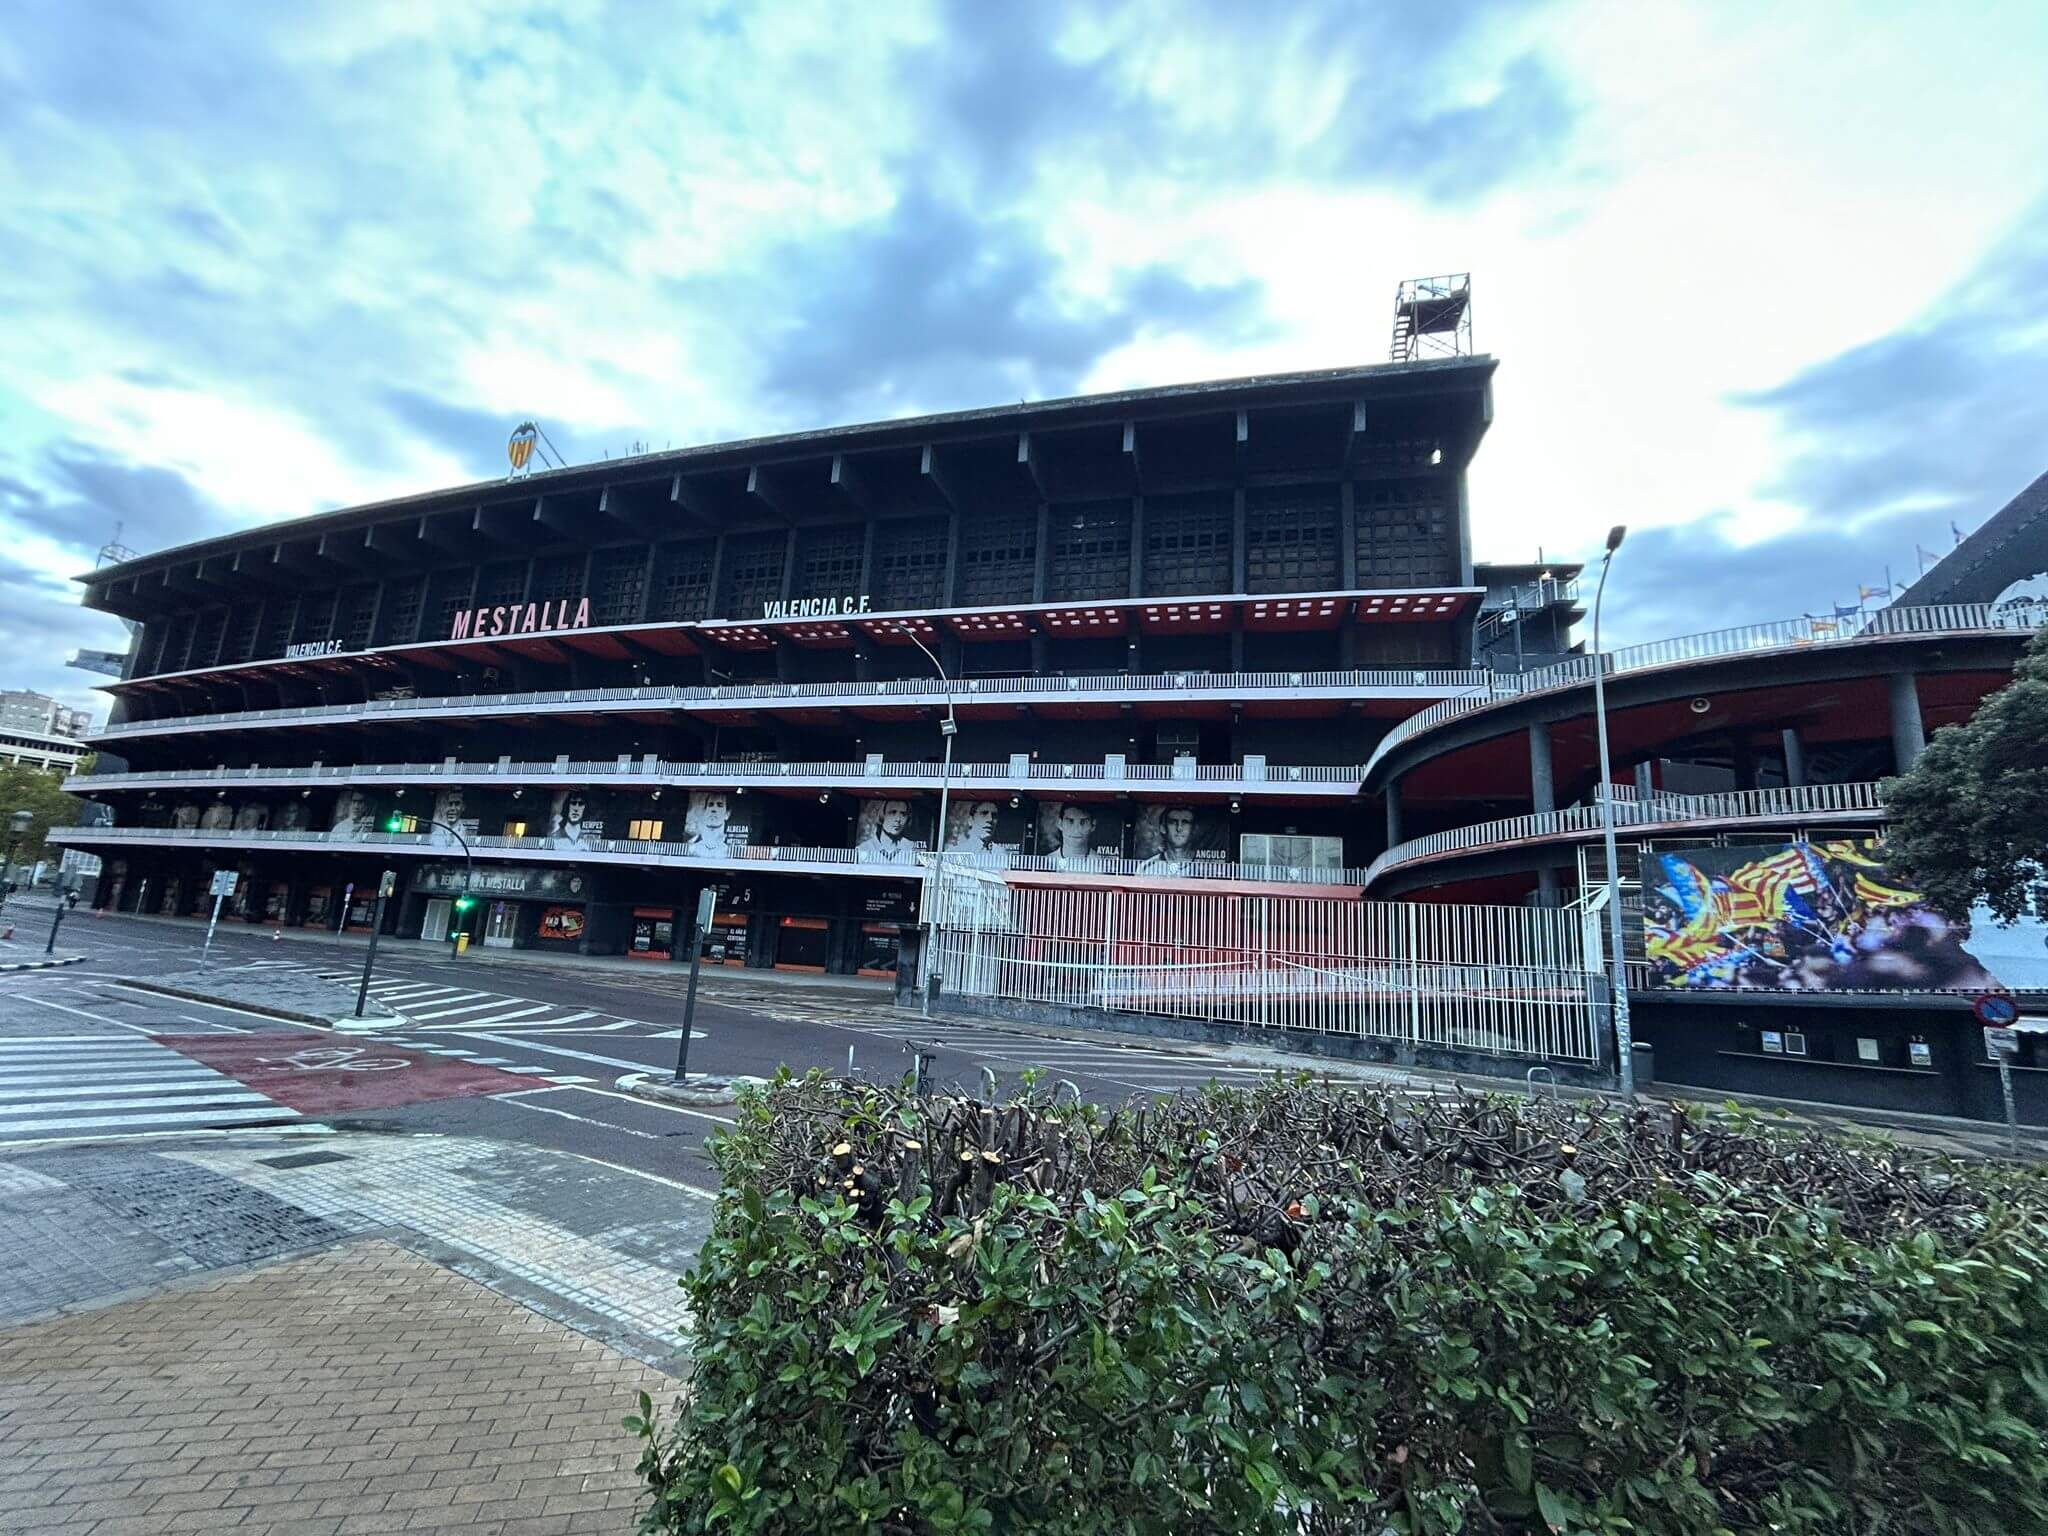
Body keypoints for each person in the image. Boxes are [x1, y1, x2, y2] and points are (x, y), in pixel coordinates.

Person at [1137, 806, 1199, 875]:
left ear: (1194, 830)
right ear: (1163, 828)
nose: (1179, 828)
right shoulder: (1146, 868)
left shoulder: (1203, 866)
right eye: (1173, 822)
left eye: (1185, 822)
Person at [857, 799, 919, 865]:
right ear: (882, 815)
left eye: (903, 814)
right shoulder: (864, 848)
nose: (898, 819)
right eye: (892, 812)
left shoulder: (911, 848)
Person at [1050, 803, 1098, 871]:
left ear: (1093, 825)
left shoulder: (1100, 865)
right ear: (1060, 824)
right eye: (1070, 821)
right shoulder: (1049, 861)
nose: (1076, 829)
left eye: (1083, 822)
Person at [682, 792, 733, 856]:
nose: (713, 809)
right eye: (710, 805)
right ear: (705, 811)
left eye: (720, 805)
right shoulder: (691, 846)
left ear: (727, 814)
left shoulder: (731, 847)